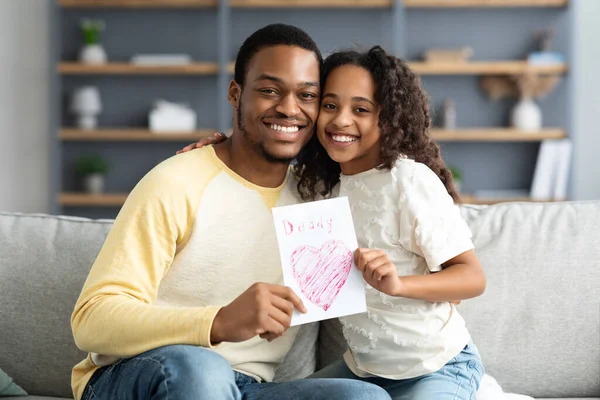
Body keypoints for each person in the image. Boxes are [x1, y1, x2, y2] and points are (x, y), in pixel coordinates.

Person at [70, 24, 391, 400]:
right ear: (235, 94)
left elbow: (397, 172)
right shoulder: (176, 182)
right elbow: (91, 320)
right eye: (269, 90)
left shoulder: (317, 194)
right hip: (139, 373)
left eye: (307, 95)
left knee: (365, 398)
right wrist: (218, 321)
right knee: (202, 370)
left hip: (245, 388)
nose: (289, 108)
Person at [182, 45, 487, 400]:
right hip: (363, 370)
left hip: (437, 366)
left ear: (387, 118)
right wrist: (222, 151)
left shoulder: (408, 180)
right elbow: (261, 174)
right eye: (329, 105)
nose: (341, 120)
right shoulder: (318, 186)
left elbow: (472, 278)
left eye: (360, 109)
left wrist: (399, 285)